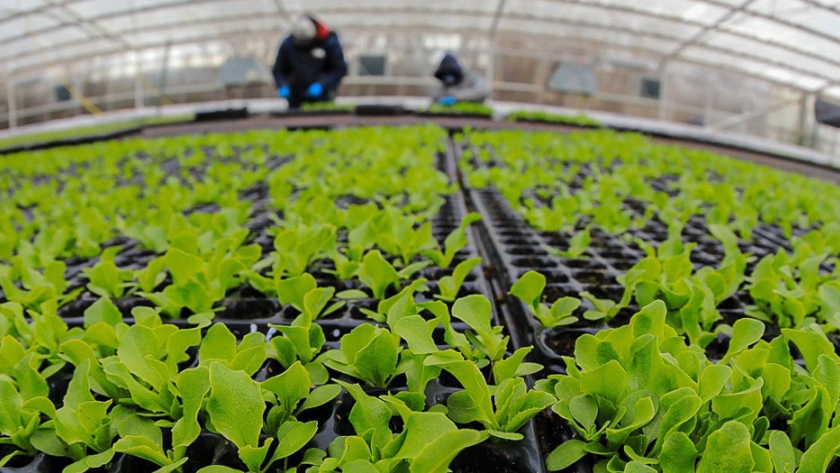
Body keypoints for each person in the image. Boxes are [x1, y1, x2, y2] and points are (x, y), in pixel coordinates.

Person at [272, 14, 348, 109]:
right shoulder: (288, 44)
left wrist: (322, 84)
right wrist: (282, 85)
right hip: (295, 97)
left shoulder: (329, 42)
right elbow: (279, 70)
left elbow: (339, 69)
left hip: (323, 97)